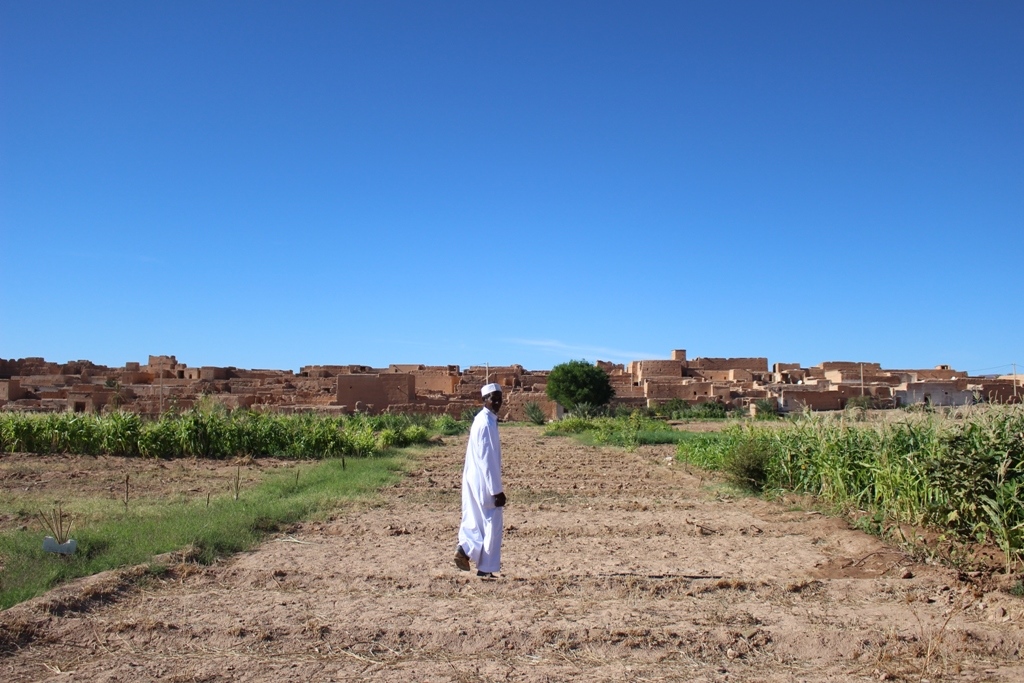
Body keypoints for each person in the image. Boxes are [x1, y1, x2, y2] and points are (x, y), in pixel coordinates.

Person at [455, 383, 506, 578]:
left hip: (476, 478)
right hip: (484, 482)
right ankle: (485, 568)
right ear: (484, 400)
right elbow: (487, 459)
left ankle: (465, 549)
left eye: (499, 397)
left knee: (476, 519)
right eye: (493, 398)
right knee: (492, 521)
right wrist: (496, 490)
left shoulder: (484, 420)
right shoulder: (485, 423)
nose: (497, 401)